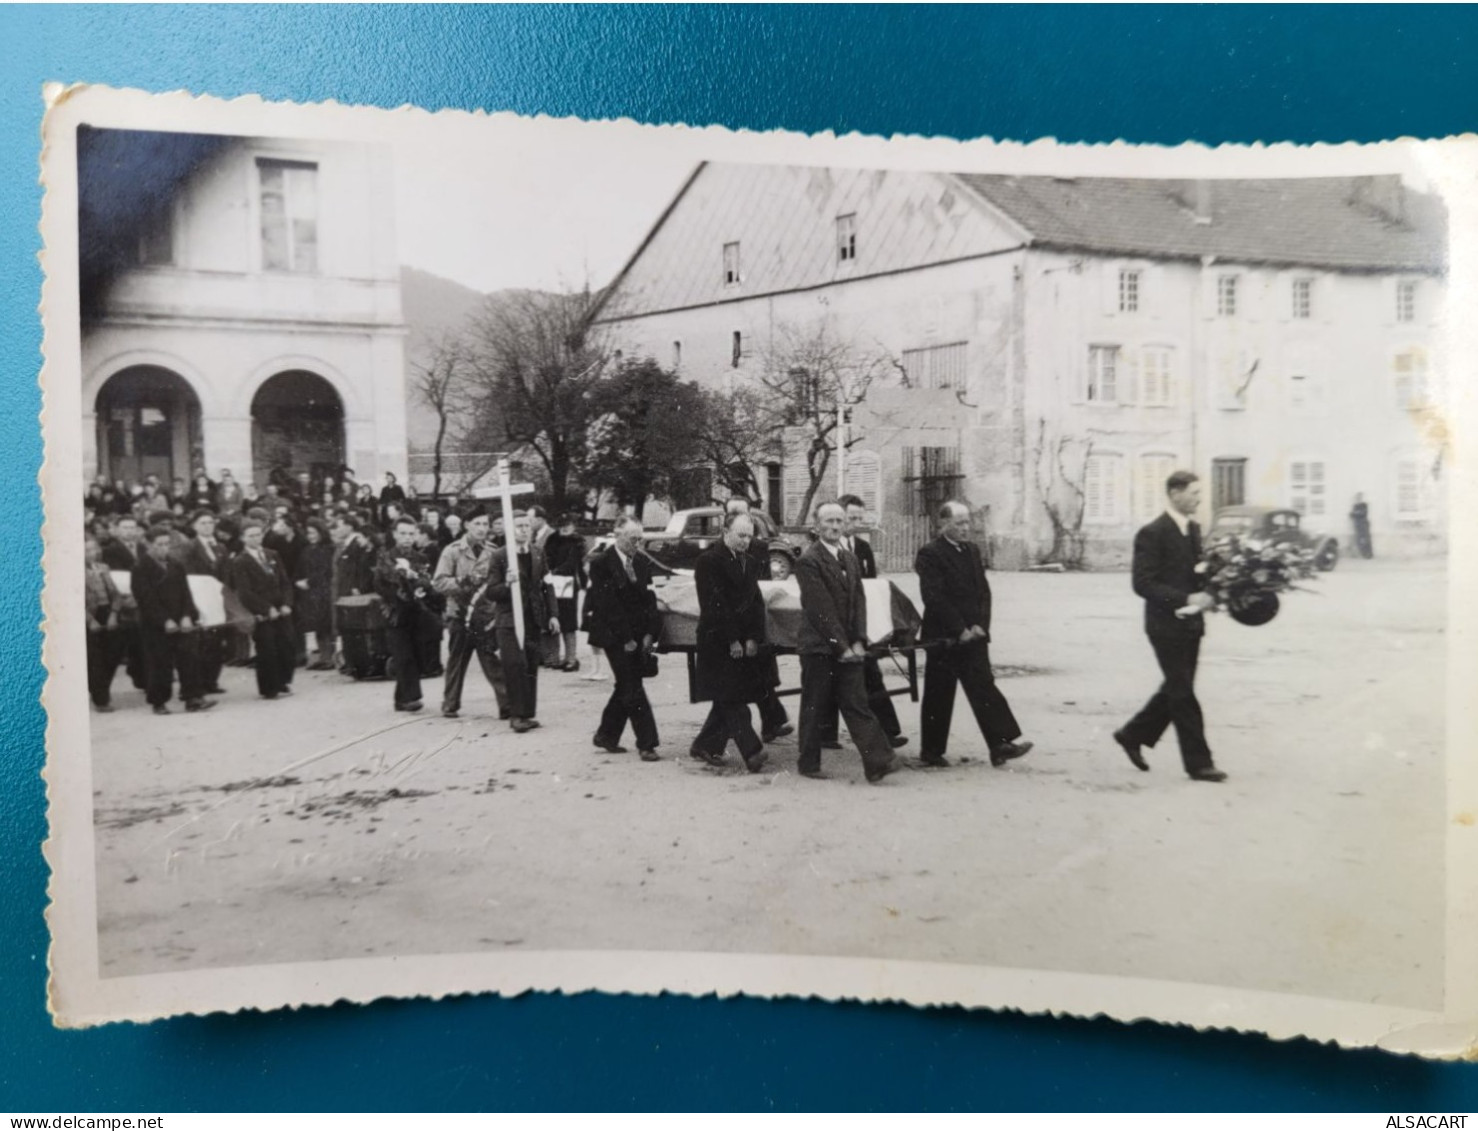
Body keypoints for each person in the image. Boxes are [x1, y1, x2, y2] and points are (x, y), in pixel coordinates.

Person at [1114, 470, 1226, 782]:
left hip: (1192, 624)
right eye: (1194, 493)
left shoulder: (1193, 529)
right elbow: (1143, 584)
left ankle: (1132, 734)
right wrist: (1186, 597)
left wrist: (1216, 590)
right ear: (1175, 494)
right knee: (1183, 693)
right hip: (1164, 626)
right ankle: (1199, 763)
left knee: (1178, 687)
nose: (1199, 498)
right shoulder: (1152, 533)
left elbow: (1197, 574)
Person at [914, 501, 1033, 769]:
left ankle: (1000, 745)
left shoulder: (972, 551)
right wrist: (960, 629)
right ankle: (931, 752)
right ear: (943, 525)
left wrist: (981, 625)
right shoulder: (930, 554)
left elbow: (983, 592)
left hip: (974, 635)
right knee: (939, 693)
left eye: (968, 522)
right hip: (945, 637)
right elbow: (934, 597)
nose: (966, 528)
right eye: (959, 524)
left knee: (983, 685)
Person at [793, 503, 900, 784]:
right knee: (815, 705)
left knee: (857, 703)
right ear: (816, 527)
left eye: (839, 521)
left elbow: (859, 604)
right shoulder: (808, 561)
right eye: (829, 521)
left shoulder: (849, 558)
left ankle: (878, 762)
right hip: (819, 647)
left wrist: (860, 641)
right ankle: (808, 763)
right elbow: (820, 610)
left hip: (849, 648)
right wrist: (842, 647)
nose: (835, 526)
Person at [817, 494, 907, 750]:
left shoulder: (862, 549)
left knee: (870, 673)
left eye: (858, 518)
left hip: (861, 620)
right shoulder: (824, 548)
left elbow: (872, 587)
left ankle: (889, 731)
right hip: (836, 621)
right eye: (851, 518)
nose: (854, 523)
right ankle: (826, 734)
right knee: (835, 676)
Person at [690, 513, 770, 773]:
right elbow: (715, 603)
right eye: (741, 535)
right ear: (726, 532)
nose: (746, 541)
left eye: (749, 536)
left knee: (728, 695)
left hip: (741, 640)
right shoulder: (708, 561)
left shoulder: (748, 561)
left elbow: (756, 604)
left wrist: (752, 638)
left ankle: (704, 745)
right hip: (717, 640)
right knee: (733, 699)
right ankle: (752, 750)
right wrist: (733, 639)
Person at [472, 512, 558, 733]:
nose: (523, 530)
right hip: (508, 621)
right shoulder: (500, 556)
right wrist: (508, 584)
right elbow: (491, 591)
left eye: (527, 525)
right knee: (514, 665)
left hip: (532, 619)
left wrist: (553, 614)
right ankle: (516, 715)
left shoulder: (538, 553)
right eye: (519, 526)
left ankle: (528, 713)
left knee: (530, 666)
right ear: (510, 530)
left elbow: (547, 585)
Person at [585, 515, 662, 761]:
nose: (637, 544)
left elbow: (650, 600)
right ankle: (647, 744)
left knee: (626, 685)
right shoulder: (601, 563)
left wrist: (651, 633)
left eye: (640, 539)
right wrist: (626, 638)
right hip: (613, 635)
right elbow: (608, 605)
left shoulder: (640, 562)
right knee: (632, 686)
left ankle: (606, 735)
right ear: (617, 535)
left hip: (638, 635)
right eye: (632, 539)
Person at [723, 497, 792, 742]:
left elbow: (763, 587)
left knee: (760, 672)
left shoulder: (761, 548)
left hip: (757, 621)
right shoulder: (720, 549)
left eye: (743, 513)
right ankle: (770, 723)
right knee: (749, 679)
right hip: (736, 626)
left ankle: (771, 722)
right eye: (733, 513)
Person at [433, 510, 509, 719]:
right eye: (477, 523)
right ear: (466, 525)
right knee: (457, 659)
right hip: (459, 613)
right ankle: (450, 703)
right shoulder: (452, 551)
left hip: (485, 615)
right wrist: (463, 582)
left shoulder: (493, 552)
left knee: (491, 660)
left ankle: (507, 704)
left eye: (485, 524)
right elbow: (439, 582)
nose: (482, 528)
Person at [131, 525, 214, 715]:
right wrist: (164, 620)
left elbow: (186, 593)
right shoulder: (140, 568)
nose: (164, 548)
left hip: (181, 621)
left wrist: (186, 616)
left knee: (189, 658)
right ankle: (158, 701)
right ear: (149, 545)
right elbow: (146, 599)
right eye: (159, 544)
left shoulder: (176, 565)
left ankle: (192, 697)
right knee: (160, 663)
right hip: (156, 625)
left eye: (167, 544)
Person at [374, 515, 439, 712]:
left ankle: (400, 699)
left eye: (411, 534)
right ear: (394, 534)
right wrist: (398, 594)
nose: (407, 538)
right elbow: (379, 584)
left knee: (418, 654)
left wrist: (421, 587)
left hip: (417, 613)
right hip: (395, 613)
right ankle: (411, 698)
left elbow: (427, 582)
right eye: (402, 533)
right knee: (403, 655)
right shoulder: (386, 557)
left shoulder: (420, 558)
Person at [231, 518, 296, 701]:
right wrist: (266, 608)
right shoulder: (240, 561)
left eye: (258, 534)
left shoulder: (272, 554)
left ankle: (283, 680)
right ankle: (269, 688)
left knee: (286, 644)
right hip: (261, 612)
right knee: (267, 647)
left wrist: (285, 603)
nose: (256, 539)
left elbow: (285, 582)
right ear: (243, 538)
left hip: (280, 609)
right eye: (250, 536)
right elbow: (245, 592)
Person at [174, 509, 231, 695]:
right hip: (199, 598)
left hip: (217, 599)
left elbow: (225, 575)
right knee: (200, 643)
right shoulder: (189, 547)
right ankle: (196, 684)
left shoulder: (221, 547)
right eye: (203, 523)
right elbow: (188, 576)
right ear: (195, 526)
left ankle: (211, 681)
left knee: (217, 641)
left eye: (210, 523)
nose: (208, 526)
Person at [543, 513, 587, 671]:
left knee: (568, 621)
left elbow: (573, 562)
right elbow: (545, 557)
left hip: (567, 583)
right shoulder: (552, 540)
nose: (566, 527)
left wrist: (554, 572)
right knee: (554, 617)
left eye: (569, 524)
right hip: (551, 582)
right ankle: (555, 657)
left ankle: (571, 659)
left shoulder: (577, 542)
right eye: (563, 524)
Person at [84, 533, 122, 712]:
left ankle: (101, 689)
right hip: (89, 614)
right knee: (95, 658)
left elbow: (115, 593)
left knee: (112, 654)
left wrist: (114, 613)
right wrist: (89, 620)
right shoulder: (72, 571)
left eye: (94, 548)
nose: (93, 553)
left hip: (107, 611)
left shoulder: (103, 567)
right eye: (87, 550)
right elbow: (73, 599)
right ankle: (101, 699)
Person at [294, 518, 337, 670]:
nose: (310, 536)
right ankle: (322, 657)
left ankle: (329, 658)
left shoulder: (328, 549)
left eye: (313, 532)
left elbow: (325, 571)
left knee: (325, 624)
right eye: (308, 533)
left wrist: (310, 582)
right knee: (317, 624)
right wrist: (299, 581)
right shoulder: (307, 550)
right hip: (310, 592)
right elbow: (300, 568)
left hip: (323, 591)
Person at [1351, 493, 1373, 559]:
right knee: (1359, 540)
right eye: (1357, 498)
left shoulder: (1364, 505)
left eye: (1359, 497)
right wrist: (1357, 513)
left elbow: (1363, 513)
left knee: (1366, 539)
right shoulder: (1355, 506)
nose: (1358, 499)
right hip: (1357, 525)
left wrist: (1356, 513)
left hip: (1364, 524)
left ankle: (1369, 554)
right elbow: (1351, 515)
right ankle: (1363, 554)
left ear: (1361, 498)